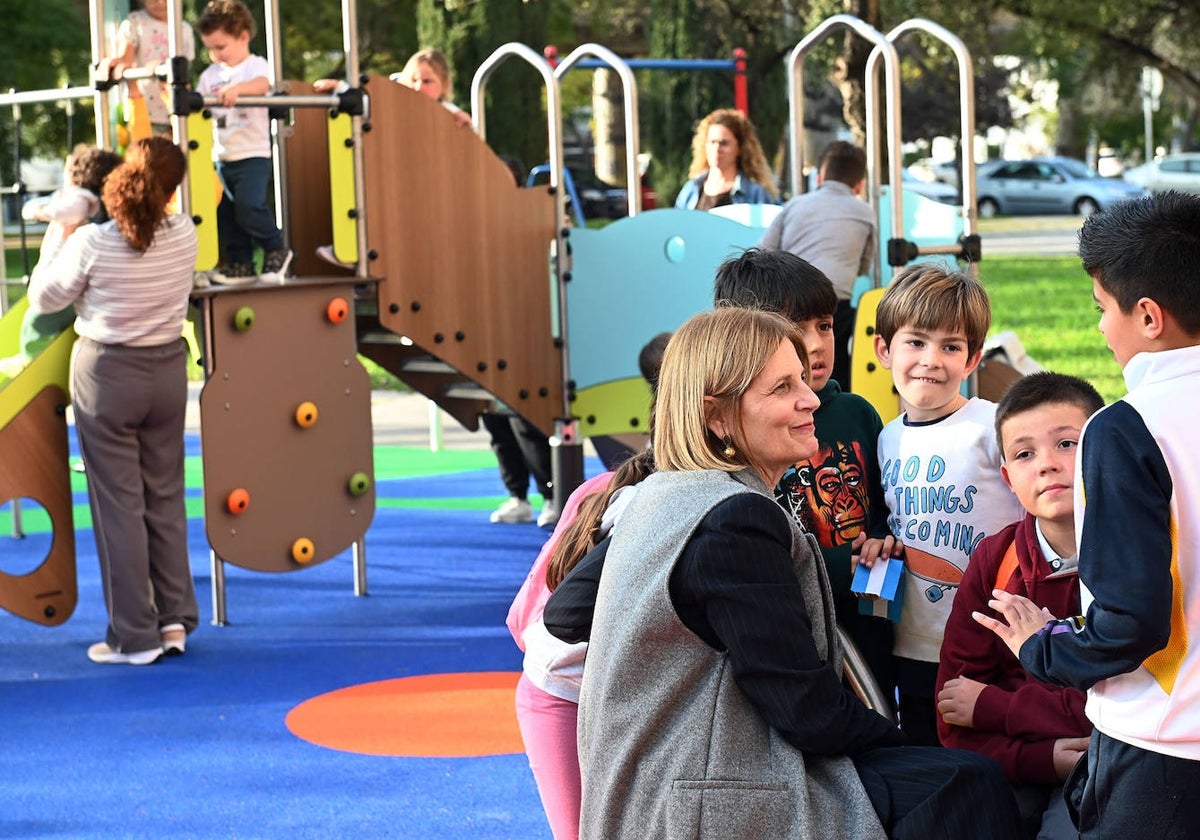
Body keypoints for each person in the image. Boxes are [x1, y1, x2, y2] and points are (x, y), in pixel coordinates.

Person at [545, 307, 1025, 840]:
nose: (811, 399)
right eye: (782, 388)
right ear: (718, 416)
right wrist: (906, 741)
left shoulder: (660, 496)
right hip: (706, 802)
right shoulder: (735, 519)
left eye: (802, 379)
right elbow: (807, 712)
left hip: (645, 792)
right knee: (965, 782)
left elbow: (564, 613)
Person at [977, 191, 1200, 839]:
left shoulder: (1128, 428)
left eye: (1103, 309)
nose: (1102, 328)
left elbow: (1130, 623)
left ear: (1149, 316)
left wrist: (1043, 646)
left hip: (1163, 750)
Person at [26, 135, 199, 665]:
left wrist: (60, 228)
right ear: (172, 191)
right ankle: (174, 621)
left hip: (109, 374)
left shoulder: (94, 243)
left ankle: (134, 637)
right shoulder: (185, 234)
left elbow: (43, 297)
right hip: (167, 370)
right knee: (164, 497)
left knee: (119, 508)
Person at [713, 247, 895, 706]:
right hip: (791, 625)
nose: (815, 344)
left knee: (877, 715)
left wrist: (880, 540)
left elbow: (884, 506)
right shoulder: (739, 433)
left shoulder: (857, 414)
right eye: (794, 330)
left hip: (866, 614)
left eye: (825, 326)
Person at [856, 264, 1024, 745]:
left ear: (972, 360)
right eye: (916, 342)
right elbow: (896, 526)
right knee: (927, 755)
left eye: (950, 347)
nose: (931, 360)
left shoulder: (992, 426)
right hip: (914, 643)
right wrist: (878, 548)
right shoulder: (886, 439)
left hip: (993, 638)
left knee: (990, 758)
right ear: (884, 350)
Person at [936, 372, 1102, 839]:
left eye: (1067, 444)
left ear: (1106, 451)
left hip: (1109, 763)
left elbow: (1118, 706)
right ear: (1008, 477)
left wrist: (996, 706)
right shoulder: (995, 559)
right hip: (1013, 761)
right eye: (1025, 453)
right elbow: (953, 707)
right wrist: (1039, 759)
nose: (1047, 465)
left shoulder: (1140, 556)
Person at [315, 47, 471, 267]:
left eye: (428, 82)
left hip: (426, 185)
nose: (418, 86)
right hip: (396, 173)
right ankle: (353, 250)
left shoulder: (445, 112)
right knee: (368, 198)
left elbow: (462, 130)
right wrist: (340, 87)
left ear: (444, 85)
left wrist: (462, 121)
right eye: (413, 80)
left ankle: (367, 256)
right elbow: (368, 98)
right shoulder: (394, 102)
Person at [0, 145, 123, 384]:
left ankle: (30, 358)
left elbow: (65, 213)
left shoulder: (81, 198)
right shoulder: (96, 202)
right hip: (77, 277)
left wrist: (41, 210)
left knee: (38, 318)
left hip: (64, 274)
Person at [760, 141, 876, 390]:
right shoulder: (864, 212)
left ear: (820, 177)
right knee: (837, 364)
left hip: (790, 300)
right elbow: (865, 265)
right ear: (859, 185)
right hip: (836, 304)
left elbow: (763, 251)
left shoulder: (795, 205)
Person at [196, 0, 291, 285]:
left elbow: (264, 85)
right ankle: (241, 264)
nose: (215, 54)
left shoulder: (254, 66)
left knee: (249, 207)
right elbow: (199, 102)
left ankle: (276, 247)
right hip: (222, 156)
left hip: (252, 155)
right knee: (226, 214)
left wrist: (239, 90)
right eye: (210, 48)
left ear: (243, 37)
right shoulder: (210, 75)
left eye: (221, 47)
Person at [104, 0, 196, 136]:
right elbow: (125, 61)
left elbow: (185, 70)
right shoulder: (135, 22)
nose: (160, 3)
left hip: (172, 105)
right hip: (142, 104)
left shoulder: (184, 29)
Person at [674, 108, 778, 210]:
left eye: (724, 143)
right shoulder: (691, 189)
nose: (717, 149)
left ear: (740, 148)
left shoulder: (755, 193)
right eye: (712, 142)